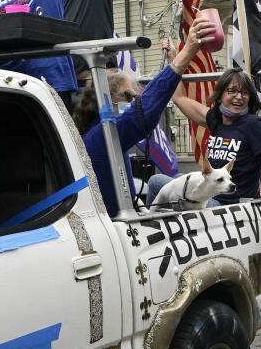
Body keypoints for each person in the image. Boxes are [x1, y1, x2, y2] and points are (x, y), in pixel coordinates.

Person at [74, 12, 214, 215]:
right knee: (210, 206)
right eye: (131, 98)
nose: (136, 101)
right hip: (113, 225)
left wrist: (173, 60)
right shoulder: (103, 135)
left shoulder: (96, 132)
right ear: (110, 99)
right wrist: (188, 51)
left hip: (118, 213)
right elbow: (146, 109)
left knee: (156, 181)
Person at [171, 68, 261, 204]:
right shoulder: (215, 119)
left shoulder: (254, 125)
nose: (239, 97)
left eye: (245, 92)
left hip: (229, 204)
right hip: (207, 194)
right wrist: (173, 59)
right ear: (220, 95)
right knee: (156, 182)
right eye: (232, 91)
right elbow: (179, 98)